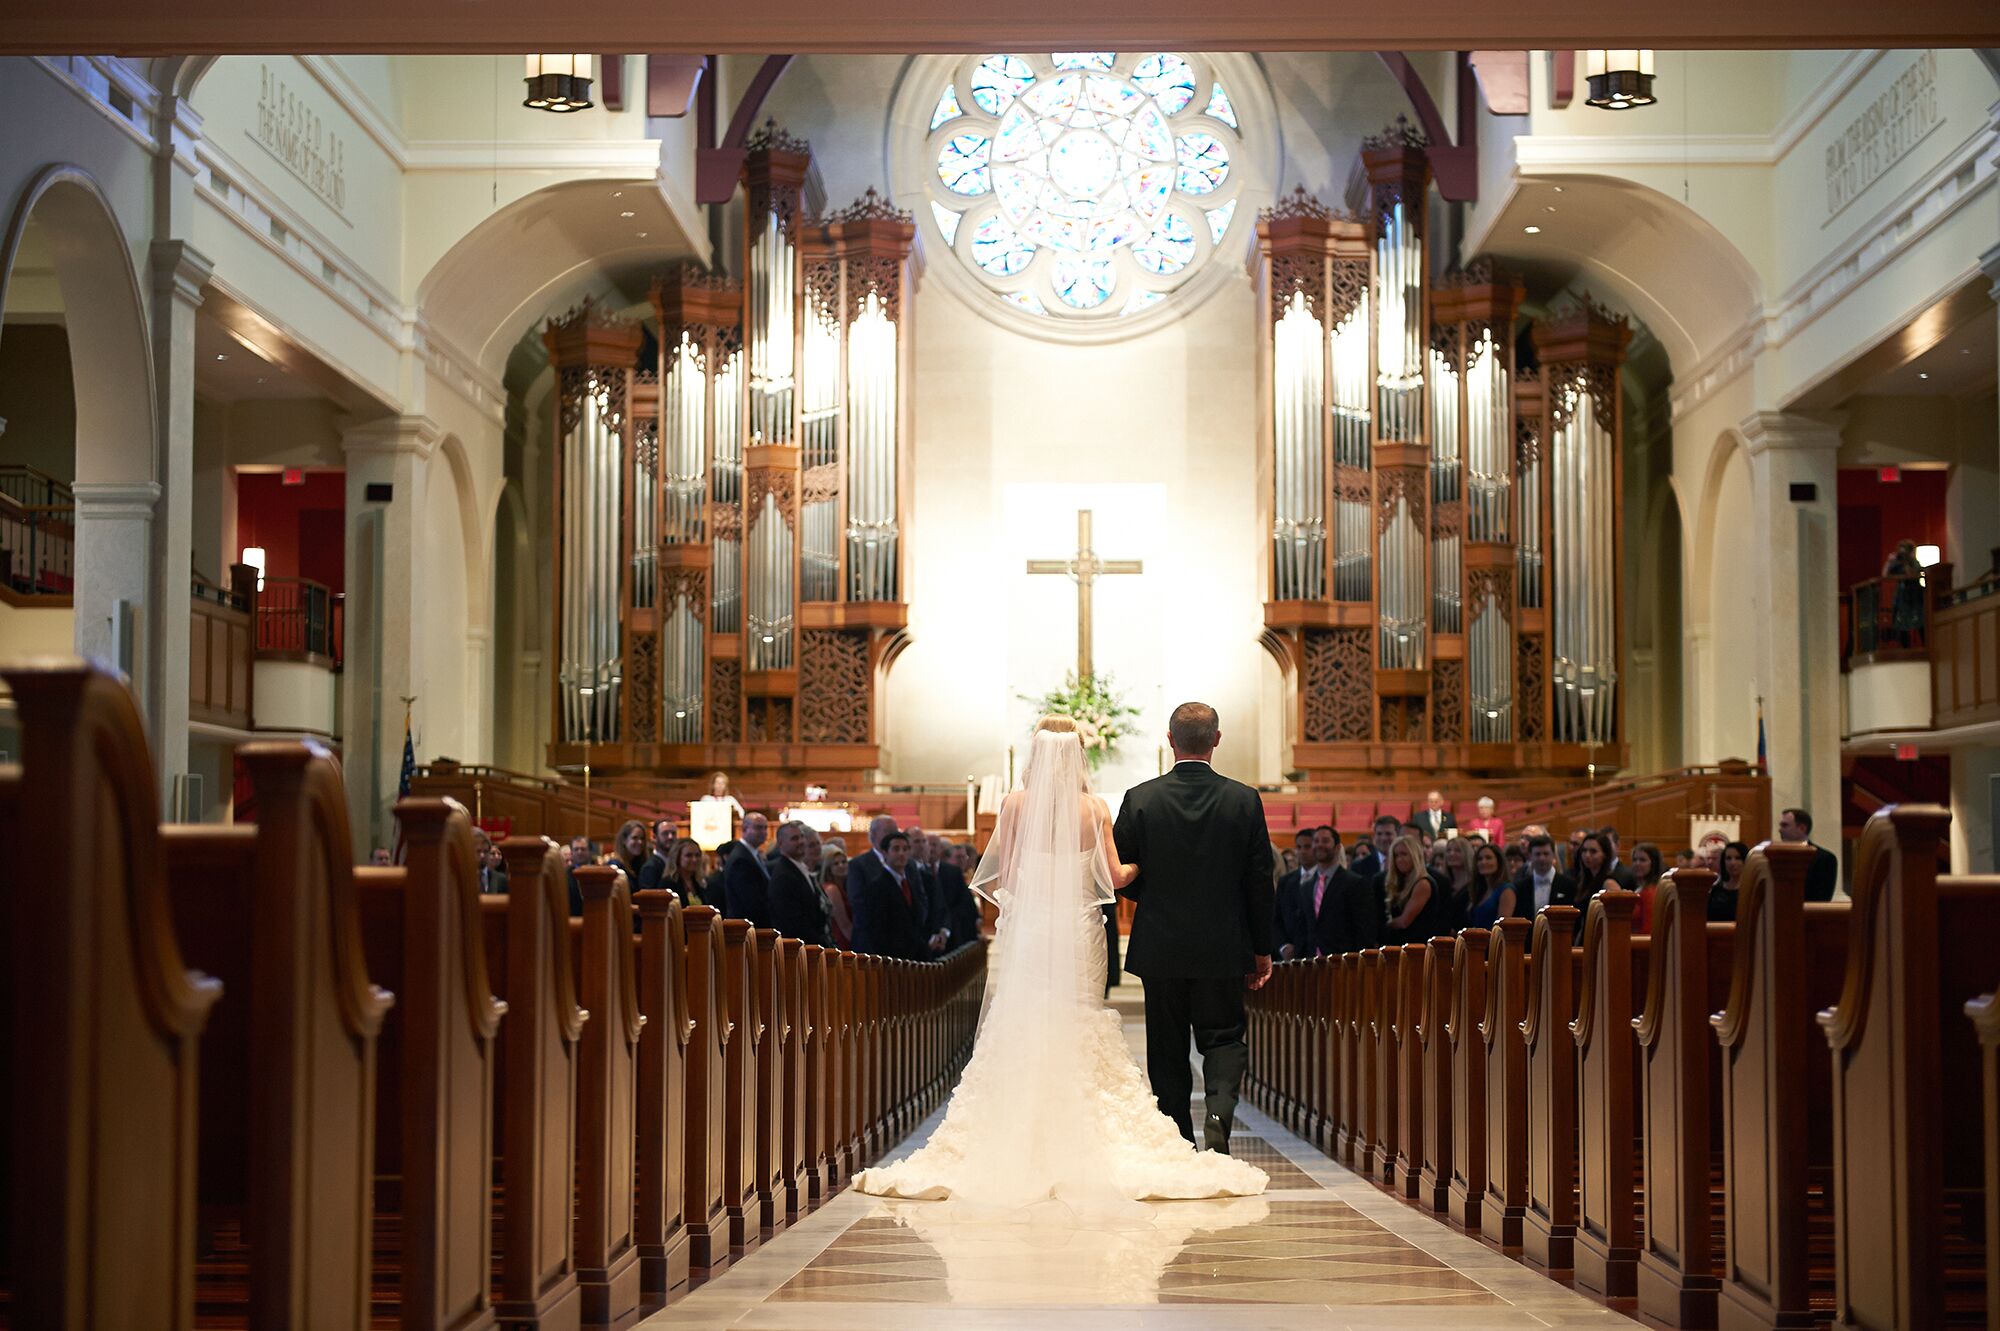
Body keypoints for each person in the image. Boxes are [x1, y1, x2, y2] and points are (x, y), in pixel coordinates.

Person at [852, 710, 1267, 1204]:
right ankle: (1153, 1130)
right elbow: (1115, 877)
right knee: (1088, 1020)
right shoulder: (1094, 808)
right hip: (1085, 930)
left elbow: (1005, 878)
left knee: (1038, 1023)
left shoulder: (1016, 804)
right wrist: (1148, 866)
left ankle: (1036, 1137)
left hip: (1040, 931)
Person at [848, 817, 932, 961]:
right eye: (888, 831)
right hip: (877, 947)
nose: (901, 853)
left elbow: (920, 899)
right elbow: (859, 905)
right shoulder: (859, 865)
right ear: (873, 835)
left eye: (905, 849)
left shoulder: (910, 865)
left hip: (911, 945)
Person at [768, 819, 834, 946]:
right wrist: (819, 944)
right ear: (781, 843)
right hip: (800, 949)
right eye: (794, 838)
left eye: (802, 837)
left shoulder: (798, 868)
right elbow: (792, 922)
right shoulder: (784, 875)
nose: (801, 842)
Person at [1381, 832, 1449, 945]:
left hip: (1417, 949)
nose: (1399, 859)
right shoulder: (1402, 883)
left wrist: (1383, 925)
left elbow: (1404, 921)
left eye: (1404, 854)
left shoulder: (1422, 883)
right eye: (1396, 855)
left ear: (1414, 855)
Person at [1778, 807, 1840, 902]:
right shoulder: (1777, 856)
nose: (1780, 830)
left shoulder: (1824, 858)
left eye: (1785, 825)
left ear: (1802, 828)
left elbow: (1822, 898)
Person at [722, 812, 772, 926]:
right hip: (745, 927)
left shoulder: (753, 854)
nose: (764, 832)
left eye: (765, 828)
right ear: (744, 829)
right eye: (758, 828)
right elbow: (750, 901)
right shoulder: (741, 859)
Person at [1514, 833, 1578, 915]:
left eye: (1546, 854)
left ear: (1553, 855)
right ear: (1530, 856)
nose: (1542, 858)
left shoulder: (1569, 885)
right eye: (1537, 854)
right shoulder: (1520, 888)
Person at [1464, 842, 1516, 929]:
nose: (1483, 862)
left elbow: (1502, 928)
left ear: (1498, 862)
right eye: (1480, 859)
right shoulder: (1481, 890)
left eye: (1488, 858)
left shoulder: (1507, 890)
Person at [1573, 832, 1619, 911]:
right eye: (1584, 850)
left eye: (1593, 851)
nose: (1587, 855)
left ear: (1605, 855)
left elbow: (1616, 913)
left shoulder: (1609, 883)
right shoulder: (1582, 880)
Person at [820, 841, 854, 948]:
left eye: (844, 862)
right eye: (836, 864)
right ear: (828, 868)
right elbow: (844, 924)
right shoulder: (832, 889)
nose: (841, 866)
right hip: (842, 940)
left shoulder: (845, 886)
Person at [1350, 814, 1400, 882]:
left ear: (1398, 836)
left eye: (1388, 834)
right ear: (1374, 837)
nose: (1383, 838)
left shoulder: (1406, 864)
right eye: (1379, 834)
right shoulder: (1359, 866)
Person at [661, 837, 708, 908]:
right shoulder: (668, 884)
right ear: (677, 857)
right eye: (689, 855)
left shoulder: (699, 882)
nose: (694, 859)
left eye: (697, 855)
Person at [1708, 840, 1749, 921]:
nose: (1732, 863)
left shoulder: (1750, 890)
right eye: (1728, 858)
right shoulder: (1716, 890)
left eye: (1738, 858)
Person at [1629, 842, 1665, 933]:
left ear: (1653, 864)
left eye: (1642, 860)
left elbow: (1648, 928)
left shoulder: (1650, 892)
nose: (1637, 864)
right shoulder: (1641, 887)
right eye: (1634, 860)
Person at [638, 817, 677, 893]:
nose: (670, 837)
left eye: (673, 833)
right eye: (665, 833)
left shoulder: (677, 863)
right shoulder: (650, 867)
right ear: (654, 837)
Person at [472, 827, 509, 894]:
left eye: (485, 851)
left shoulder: (501, 879)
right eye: (478, 851)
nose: (482, 855)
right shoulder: (461, 879)